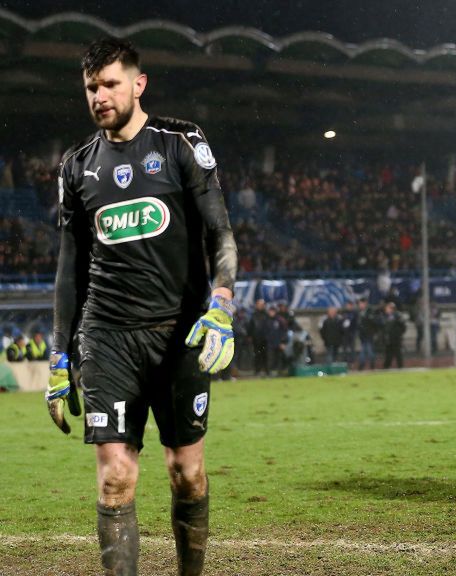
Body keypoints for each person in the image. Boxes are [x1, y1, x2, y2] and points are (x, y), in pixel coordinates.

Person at [46, 37, 237, 576]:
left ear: (138, 83)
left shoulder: (181, 142)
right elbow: (69, 269)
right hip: (106, 336)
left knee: (187, 472)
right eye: (91, 88)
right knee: (114, 478)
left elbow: (220, 233)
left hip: (179, 336)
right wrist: (60, 356)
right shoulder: (76, 166)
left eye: (109, 84)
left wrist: (220, 302)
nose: (99, 96)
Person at [381, 301, 406, 369]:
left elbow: (403, 326)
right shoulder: (385, 316)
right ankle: (386, 366)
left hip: (396, 338)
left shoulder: (398, 315)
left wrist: (398, 334)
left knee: (398, 353)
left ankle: (400, 366)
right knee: (388, 353)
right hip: (389, 338)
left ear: (392, 309)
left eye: (388, 308)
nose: (386, 310)